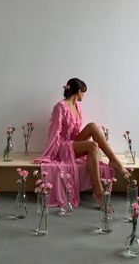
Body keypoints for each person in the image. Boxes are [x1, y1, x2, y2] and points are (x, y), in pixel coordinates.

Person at [35, 78, 130, 207]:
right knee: (93, 145)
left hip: (72, 143)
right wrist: (50, 155)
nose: (84, 96)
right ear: (79, 91)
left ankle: (113, 160)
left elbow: (75, 133)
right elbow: (54, 133)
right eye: (84, 93)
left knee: (93, 126)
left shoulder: (77, 107)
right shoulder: (60, 107)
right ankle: (98, 190)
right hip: (62, 147)